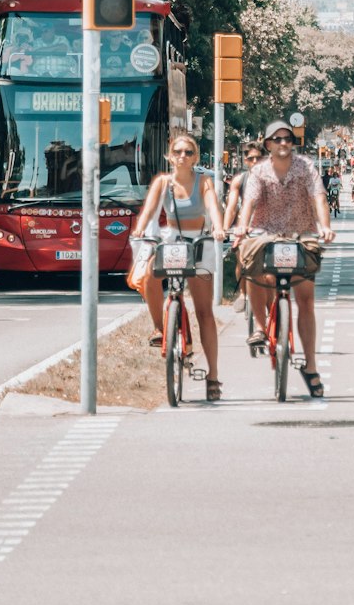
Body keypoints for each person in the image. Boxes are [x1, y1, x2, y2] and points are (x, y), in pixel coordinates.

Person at [232, 120, 335, 398]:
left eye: (287, 138)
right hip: (265, 233)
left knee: (306, 299)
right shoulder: (259, 172)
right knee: (250, 264)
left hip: (301, 233)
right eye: (276, 139)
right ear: (267, 144)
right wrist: (242, 228)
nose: (283, 143)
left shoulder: (306, 168)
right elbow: (249, 204)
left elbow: (319, 199)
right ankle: (263, 329)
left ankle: (311, 366)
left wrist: (324, 226)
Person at [132, 130, 226, 401]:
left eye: (188, 152)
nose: (183, 156)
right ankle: (160, 328)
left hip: (199, 242)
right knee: (150, 276)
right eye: (178, 152)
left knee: (204, 311)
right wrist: (139, 230)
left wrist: (218, 228)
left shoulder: (203, 181)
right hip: (172, 239)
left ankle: (213, 375)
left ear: (196, 157)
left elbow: (213, 207)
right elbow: (148, 211)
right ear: (169, 156)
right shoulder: (163, 183)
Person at [222, 142, 266, 346]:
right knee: (242, 262)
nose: (255, 162)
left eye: (259, 158)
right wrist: (224, 228)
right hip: (246, 229)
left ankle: (275, 314)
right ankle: (244, 293)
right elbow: (231, 207)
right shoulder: (240, 180)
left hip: (270, 230)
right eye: (251, 158)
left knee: (271, 274)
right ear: (245, 160)